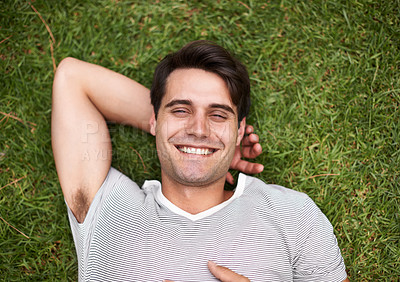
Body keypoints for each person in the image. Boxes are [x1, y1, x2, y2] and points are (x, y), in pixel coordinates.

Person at [52, 41, 349, 281]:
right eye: (180, 110)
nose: (198, 128)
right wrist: (192, 138)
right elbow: (73, 78)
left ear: (240, 131)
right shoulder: (107, 208)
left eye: (218, 115)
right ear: (154, 119)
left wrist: (194, 137)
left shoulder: (291, 215)